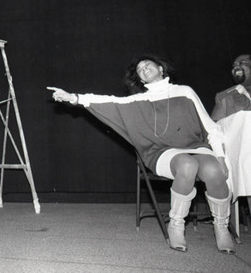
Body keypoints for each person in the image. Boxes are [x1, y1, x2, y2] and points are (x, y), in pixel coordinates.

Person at [47, 54, 235, 254]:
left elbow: (209, 126)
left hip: (195, 147)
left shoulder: (185, 92)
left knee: (213, 169)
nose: (144, 69)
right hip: (162, 152)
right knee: (187, 165)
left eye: (148, 65)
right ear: (141, 80)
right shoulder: (140, 99)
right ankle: (176, 225)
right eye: (140, 70)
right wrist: (74, 98)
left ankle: (221, 228)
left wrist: (221, 157)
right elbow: (108, 102)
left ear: (161, 69)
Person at [211, 54, 251, 215]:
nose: (236, 66)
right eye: (234, 64)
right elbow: (214, 128)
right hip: (241, 156)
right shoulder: (225, 96)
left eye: (243, 63)